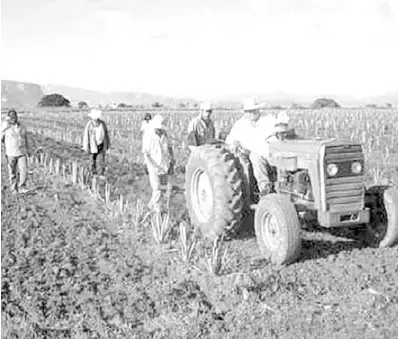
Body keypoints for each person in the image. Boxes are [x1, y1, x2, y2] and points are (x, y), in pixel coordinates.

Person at [226, 97, 274, 195]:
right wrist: (235, 142)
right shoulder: (240, 124)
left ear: (258, 109)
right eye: (248, 111)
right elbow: (231, 140)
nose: (251, 113)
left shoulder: (269, 119)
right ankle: (265, 190)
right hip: (253, 154)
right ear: (245, 112)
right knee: (256, 158)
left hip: (271, 152)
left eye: (253, 110)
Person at [142, 114, 175, 212]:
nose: (159, 130)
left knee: (163, 188)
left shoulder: (164, 134)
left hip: (164, 164)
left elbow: (169, 147)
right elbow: (146, 154)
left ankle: (151, 205)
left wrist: (172, 160)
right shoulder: (148, 135)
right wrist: (154, 166)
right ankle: (157, 211)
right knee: (156, 188)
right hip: (153, 165)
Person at [1, 110, 30, 194]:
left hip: (22, 152)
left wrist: (29, 150)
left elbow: (26, 138)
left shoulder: (21, 126)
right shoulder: (5, 127)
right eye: (11, 117)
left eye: (15, 116)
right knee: (12, 171)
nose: (13, 118)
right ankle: (13, 188)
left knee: (24, 170)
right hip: (10, 153)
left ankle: (22, 187)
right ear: (9, 117)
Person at [82, 108, 110, 176]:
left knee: (100, 161)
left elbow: (106, 135)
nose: (95, 119)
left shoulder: (102, 124)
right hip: (92, 146)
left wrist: (107, 146)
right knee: (92, 161)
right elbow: (86, 137)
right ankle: (92, 174)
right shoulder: (89, 125)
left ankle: (100, 174)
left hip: (101, 145)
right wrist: (85, 147)